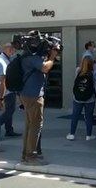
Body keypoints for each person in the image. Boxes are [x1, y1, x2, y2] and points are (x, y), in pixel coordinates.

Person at [20, 30, 59, 166]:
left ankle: (26, 154)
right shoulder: (33, 57)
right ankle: (31, 156)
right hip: (34, 95)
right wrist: (52, 57)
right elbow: (45, 68)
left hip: (26, 94)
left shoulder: (25, 55)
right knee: (35, 126)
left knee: (30, 125)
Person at [66, 56, 96, 141]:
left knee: (75, 115)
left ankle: (72, 134)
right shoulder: (93, 72)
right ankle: (88, 135)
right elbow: (94, 86)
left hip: (77, 97)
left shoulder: (78, 70)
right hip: (90, 98)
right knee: (89, 116)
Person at [0, 43, 21, 137]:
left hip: (9, 88)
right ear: (9, 49)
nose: (14, 52)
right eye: (13, 50)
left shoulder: (7, 58)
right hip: (6, 89)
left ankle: (9, 130)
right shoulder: (2, 60)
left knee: (9, 109)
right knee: (10, 110)